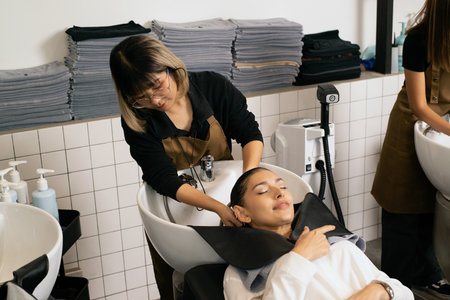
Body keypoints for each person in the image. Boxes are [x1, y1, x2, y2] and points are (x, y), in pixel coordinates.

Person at [109, 35, 264, 300]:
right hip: (170, 208)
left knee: (229, 282)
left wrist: (248, 180)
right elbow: (163, 178)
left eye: (157, 86)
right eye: (141, 98)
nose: (155, 101)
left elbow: (250, 134)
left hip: (224, 191)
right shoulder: (137, 118)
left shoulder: (213, 87)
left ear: (169, 67)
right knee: (176, 285)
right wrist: (217, 207)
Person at [223, 167, 413, 300]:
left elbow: (405, 293)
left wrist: (380, 290)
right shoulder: (241, 274)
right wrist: (299, 258)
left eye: (282, 186)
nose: (279, 193)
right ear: (242, 213)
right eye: (263, 191)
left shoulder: (339, 246)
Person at [371, 0, 450, 297]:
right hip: (410, 126)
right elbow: (419, 105)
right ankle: (396, 284)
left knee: (431, 208)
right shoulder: (418, 39)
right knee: (402, 207)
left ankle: (428, 275)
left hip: (440, 126)